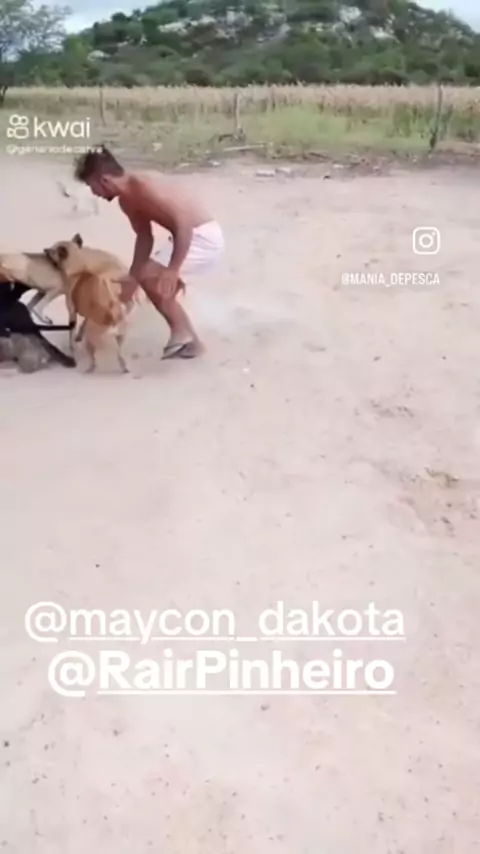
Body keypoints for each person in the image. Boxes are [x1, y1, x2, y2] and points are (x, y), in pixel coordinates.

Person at [73, 145, 224, 359]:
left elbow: (184, 224)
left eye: (92, 186)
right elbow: (144, 237)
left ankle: (182, 333)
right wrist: (132, 280)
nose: (94, 193)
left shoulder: (145, 186)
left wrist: (172, 269)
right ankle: (191, 342)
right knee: (145, 277)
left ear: (104, 180)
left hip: (202, 236)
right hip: (187, 236)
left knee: (152, 276)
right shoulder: (127, 201)